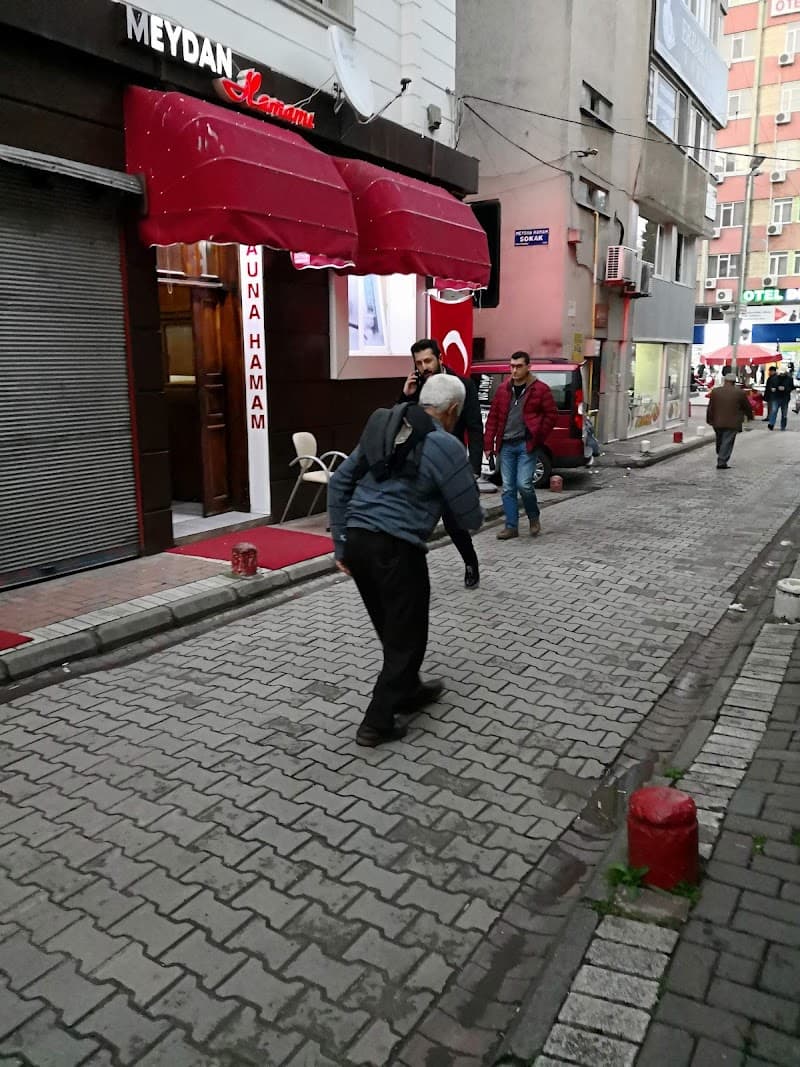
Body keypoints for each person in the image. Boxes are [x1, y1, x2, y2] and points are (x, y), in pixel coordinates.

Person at [328, 375, 483, 747]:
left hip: (358, 544)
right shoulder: (446, 446)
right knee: (408, 638)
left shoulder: (385, 427)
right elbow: (471, 517)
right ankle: (376, 723)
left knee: (392, 626)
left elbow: (338, 483)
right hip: (397, 550)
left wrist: (340, 544)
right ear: (452, 410)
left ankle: (409, 689)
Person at [401, 338, 484, 588]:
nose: (424, 366)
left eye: (428, 360)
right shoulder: (417, 388)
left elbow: (474, 428)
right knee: (413, 523)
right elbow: (399, 421)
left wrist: (474, 468)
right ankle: (412, 576)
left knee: (454, 524)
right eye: (419, 363)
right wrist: (404, 396)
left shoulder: (463, 386)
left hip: (450, 464)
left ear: (440, 358)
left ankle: (471, 563)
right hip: (420, 464)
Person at [483, 350, 557, 540]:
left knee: (524, 484)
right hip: (506, 445)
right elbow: (493, 418)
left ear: (528, 367)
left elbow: (551, 415)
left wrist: (538, 434)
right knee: (507, 487)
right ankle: (511, 526)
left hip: (526, 444)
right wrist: (488, 444)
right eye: (512, 366)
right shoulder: (503, 389)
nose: (514, 370)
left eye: (518, 366)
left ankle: (533, 517)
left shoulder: (540, 389)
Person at [706, 366, 753, 469]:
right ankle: (722, 461)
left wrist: (709, 419)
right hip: (733, 422)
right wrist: (750, 416)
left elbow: (710, 407)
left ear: (725, 381)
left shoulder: (716, 391)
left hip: (717, 421)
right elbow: (747, 406)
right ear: (734, 382)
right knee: (727, 441)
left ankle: (720, 454)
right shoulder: (740, 393)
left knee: (720, 440)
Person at [766, 362, 794, 431]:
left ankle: (783, 426)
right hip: (776, 396)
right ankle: (771, 424)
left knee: (784, 413)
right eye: (780, 373)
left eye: (783, 373)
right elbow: (770, 386)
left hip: (785, 398)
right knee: (774, 411)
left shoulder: (789, 379)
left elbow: (792, 387)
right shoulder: (774, 378)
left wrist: (785, 389)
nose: (781, 374)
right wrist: (772, 389)